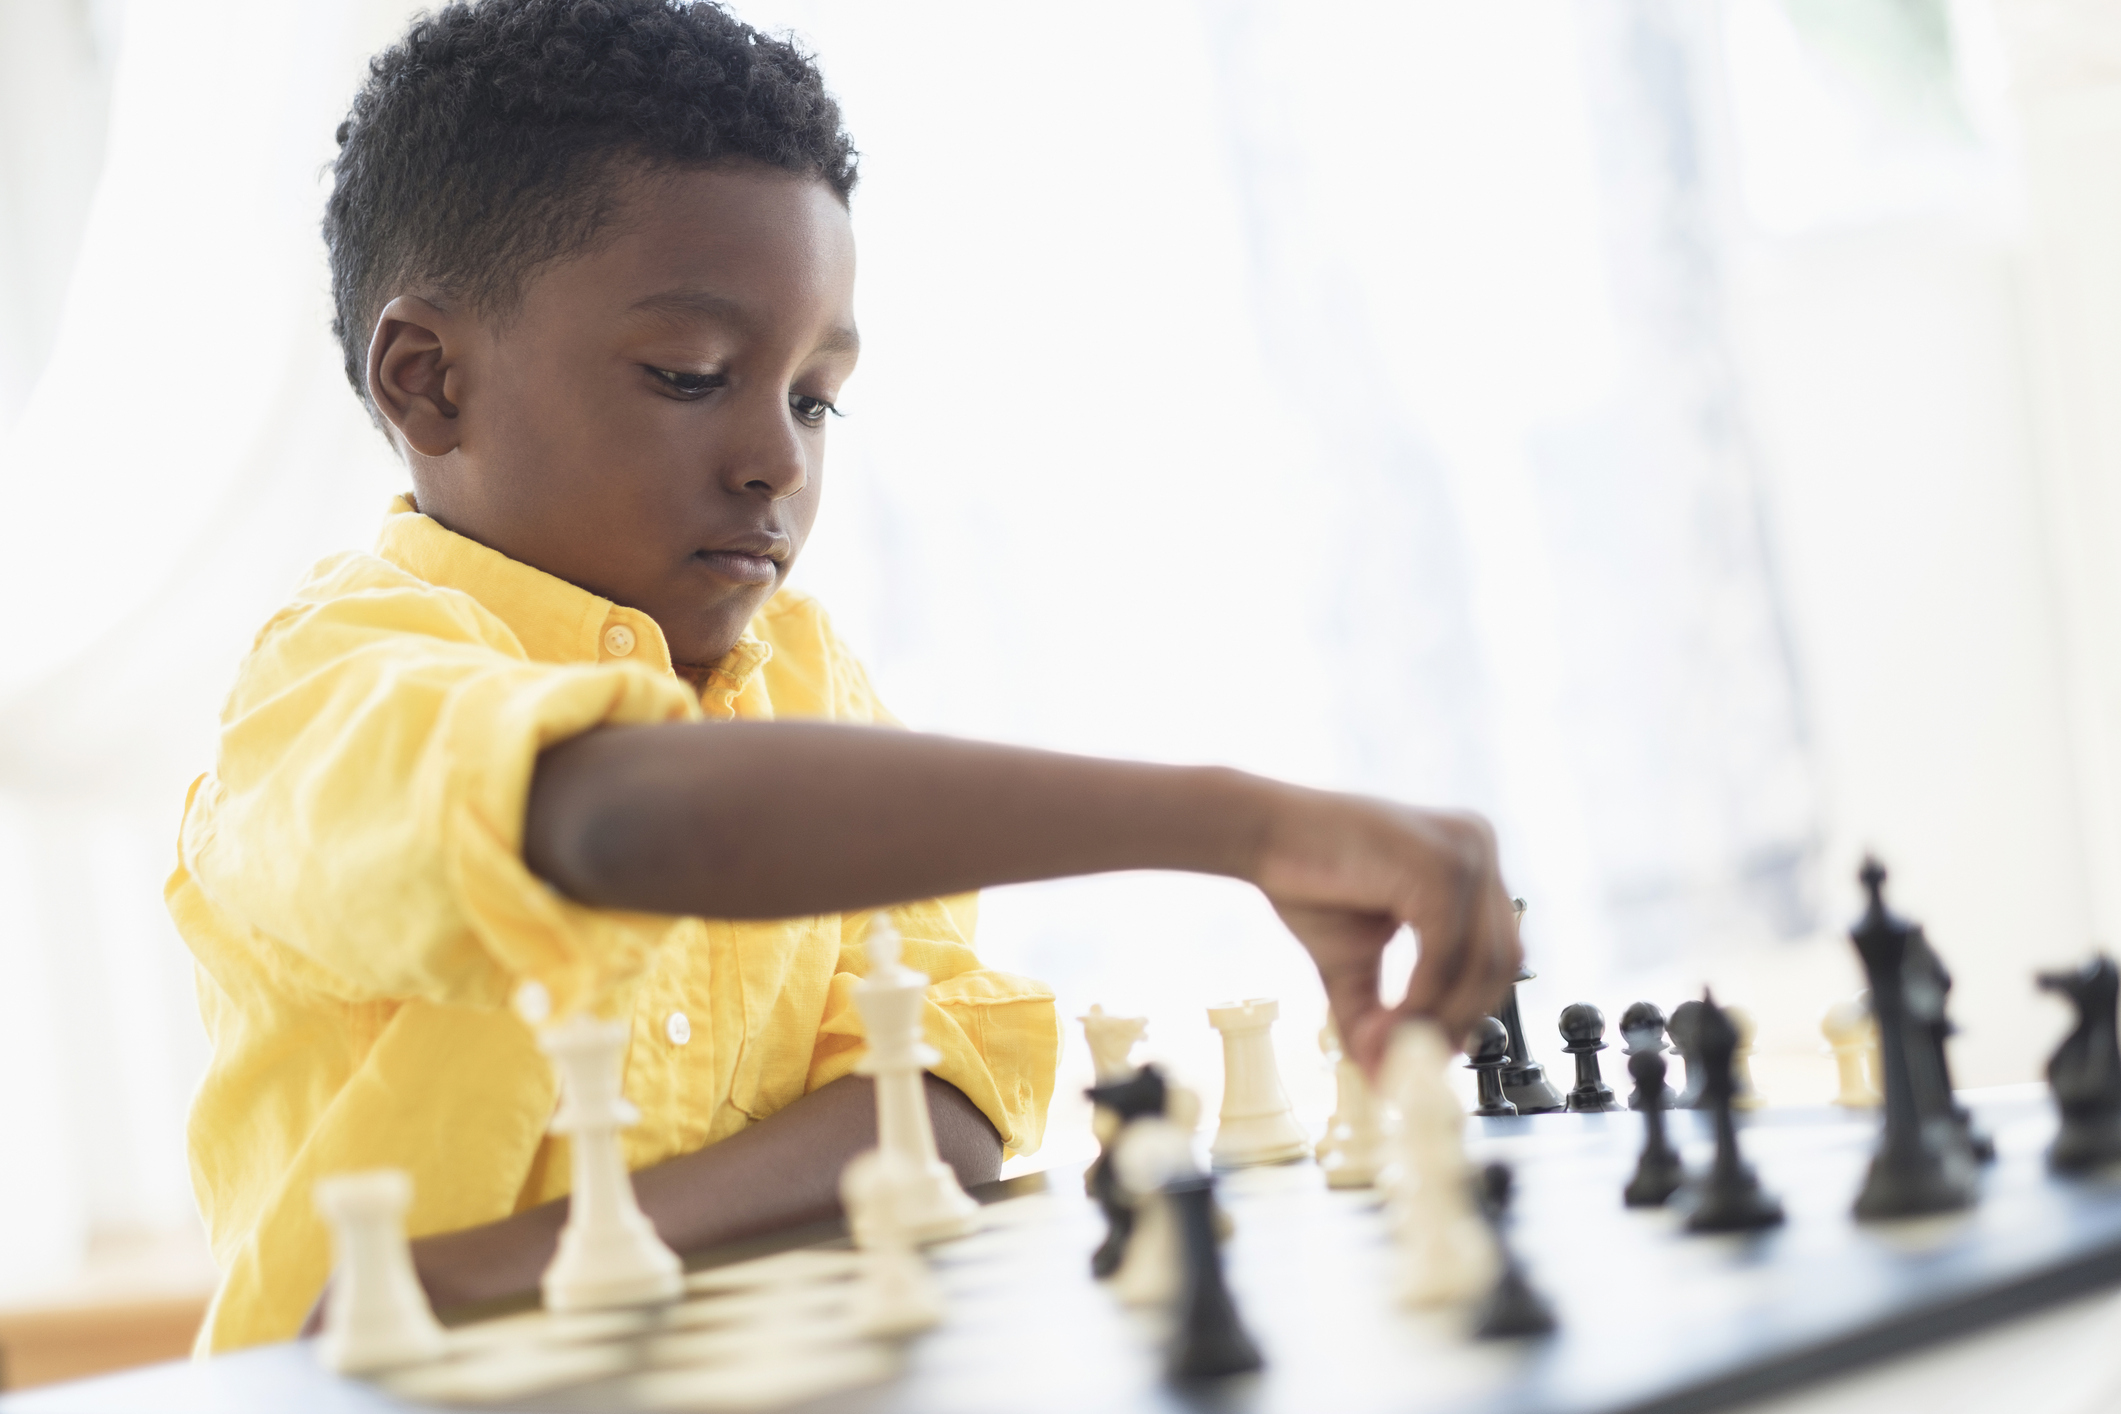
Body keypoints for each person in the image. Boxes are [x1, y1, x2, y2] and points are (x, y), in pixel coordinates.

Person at [167, 0, 1521, 1356]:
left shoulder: (810, 680)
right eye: (690, 375)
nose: (778, 460)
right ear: (429, 382)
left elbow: (947, 1090)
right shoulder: (328, 691)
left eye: (814, 397)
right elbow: (638, 821)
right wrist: (1238, 823)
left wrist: (560, 1248)